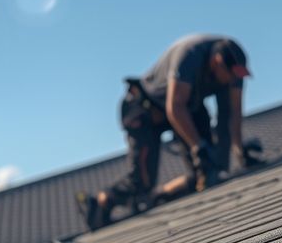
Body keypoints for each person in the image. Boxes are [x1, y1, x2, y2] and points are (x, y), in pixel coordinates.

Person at [80, 34, 258, 230]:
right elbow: (175, 108)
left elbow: (232, 113)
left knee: (210, 170)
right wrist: (199, 147)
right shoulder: (190, 56)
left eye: (237, 76)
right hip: (146, 110)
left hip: (188, 107)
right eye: (231, 75)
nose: (233, 80)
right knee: (142, 182)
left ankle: (159, 196)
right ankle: (101, 201)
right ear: (217, 63)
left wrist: (239, 151)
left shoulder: (233, 71)